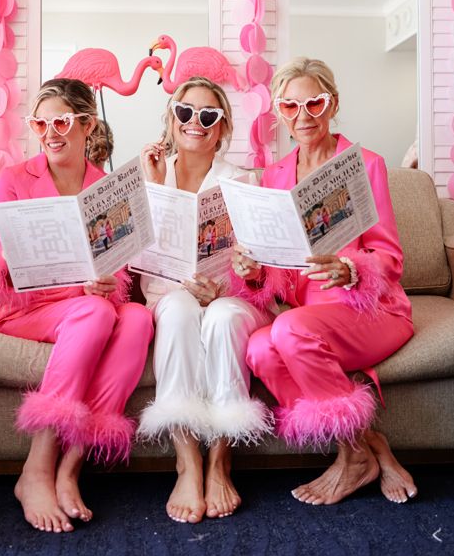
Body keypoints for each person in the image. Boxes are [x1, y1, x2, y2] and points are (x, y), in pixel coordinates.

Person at [233, 57, 417, 506]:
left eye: (313, 103)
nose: (303, 116)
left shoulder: (365, 164)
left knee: (288, 329)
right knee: (259, 349)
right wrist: (255, 272)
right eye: (290, 106)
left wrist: (351, 269)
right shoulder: (274, 175)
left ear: (332, 103)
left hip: (370, 310)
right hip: (308, 315)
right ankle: (369, 448)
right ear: (279, 112)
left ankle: (353, 460)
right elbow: (279, 269)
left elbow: (390, 257)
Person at [0, 78, 153, 533]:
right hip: (31, 310)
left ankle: (71, 465)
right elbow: (4, 274)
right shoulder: (14, 179)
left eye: (61, 122)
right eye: (40, 123)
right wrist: (17, 265)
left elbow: (120, 269)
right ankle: (36, 467)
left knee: (136, 317)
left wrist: (109, 281)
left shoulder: (108, 188)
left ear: (87, 125)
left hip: (90, 305)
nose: (50, 133)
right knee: (95, 312)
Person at [139, 76, 273, 524]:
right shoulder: (149, 174)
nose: (195, 121)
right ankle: (187, 460)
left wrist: (227, 288)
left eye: (208, 114)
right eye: (185, 111)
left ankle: (220, 458)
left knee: (221, 317)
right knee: (179, 311)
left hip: (230, 298)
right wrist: (156, 188)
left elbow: (262, 270)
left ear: (222, 127)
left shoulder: (242, 181)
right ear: (171, 119)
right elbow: (136, 263)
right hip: (170, 295)